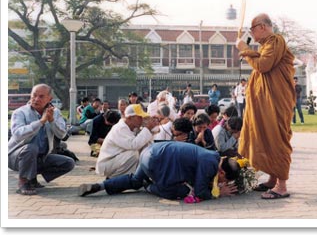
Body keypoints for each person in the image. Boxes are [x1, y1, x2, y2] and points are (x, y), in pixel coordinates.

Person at [235, 13, 295, 199]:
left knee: (276, 138)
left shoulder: (275, 40)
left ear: (262, 26)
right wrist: (249, 52)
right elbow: (261, 62)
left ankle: (282, 186)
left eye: (252, 29)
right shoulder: (267, 46)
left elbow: (263, 65)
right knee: (266, 137)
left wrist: (245, 49)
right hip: (267, 103)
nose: (251, 34)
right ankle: (272, 179)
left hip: (276, 102)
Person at [78, 142, 239, 201]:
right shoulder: (210, 162)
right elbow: (200, 191)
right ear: (222, 173)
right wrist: (217, 194)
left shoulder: (212, 155)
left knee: (134, 180)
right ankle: (149, 187)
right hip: (157, 161)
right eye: (225, 181)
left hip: (149, 153)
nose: (223, 183)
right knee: (181, 191)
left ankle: (100, 186)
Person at [8, 84, 75, 195]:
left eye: (41, 96)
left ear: (50, 99)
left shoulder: (55, 112)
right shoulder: (20, 112)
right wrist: (41, 122)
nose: (36, 99)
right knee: (31, 148)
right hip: (15, 156)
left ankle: (32, 177)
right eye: (34, 95)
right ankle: (23, 181)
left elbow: (62, 134)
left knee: (68, 163)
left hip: (40, 157)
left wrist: (52, 120)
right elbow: (18, 134)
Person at [95, 104, 159, 179]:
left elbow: (152, 134)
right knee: (133, 154)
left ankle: (139, 176)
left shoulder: (133, 127)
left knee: (146, 147)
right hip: (107, 163)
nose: (142, 119)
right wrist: (148, 128)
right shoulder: (120, 128)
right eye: (139, 117)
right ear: (130, 118)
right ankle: (114, 179)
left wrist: (151, 123)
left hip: (116, 160)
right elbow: (134, 145)